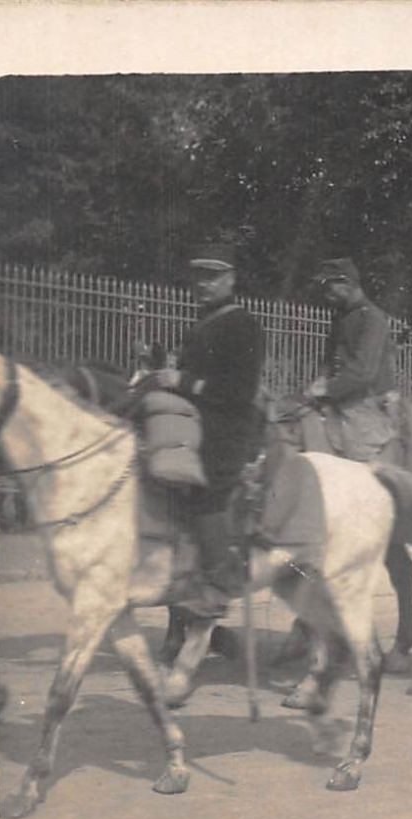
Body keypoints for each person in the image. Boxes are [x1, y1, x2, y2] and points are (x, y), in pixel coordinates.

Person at [153, 242, 264, 605]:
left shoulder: (242, 325)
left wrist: (183, 382)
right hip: (193, 424)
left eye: (213, 276)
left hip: (226, 430)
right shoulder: (201, 323)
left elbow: (238, 392)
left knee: (205, 493)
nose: (203, 284)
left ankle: (220, 581)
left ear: (231, 279)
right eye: (199, 276)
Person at [308, 257, 400, 462]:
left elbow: (363, 372)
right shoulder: (341, 317)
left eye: (328, 285)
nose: (325, 292)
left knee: (356, 463)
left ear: (346, 284)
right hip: (342, 400)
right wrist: (321, 383)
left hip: (369, 405)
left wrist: (327, 390)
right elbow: (328, 360)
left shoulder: (373, 319)